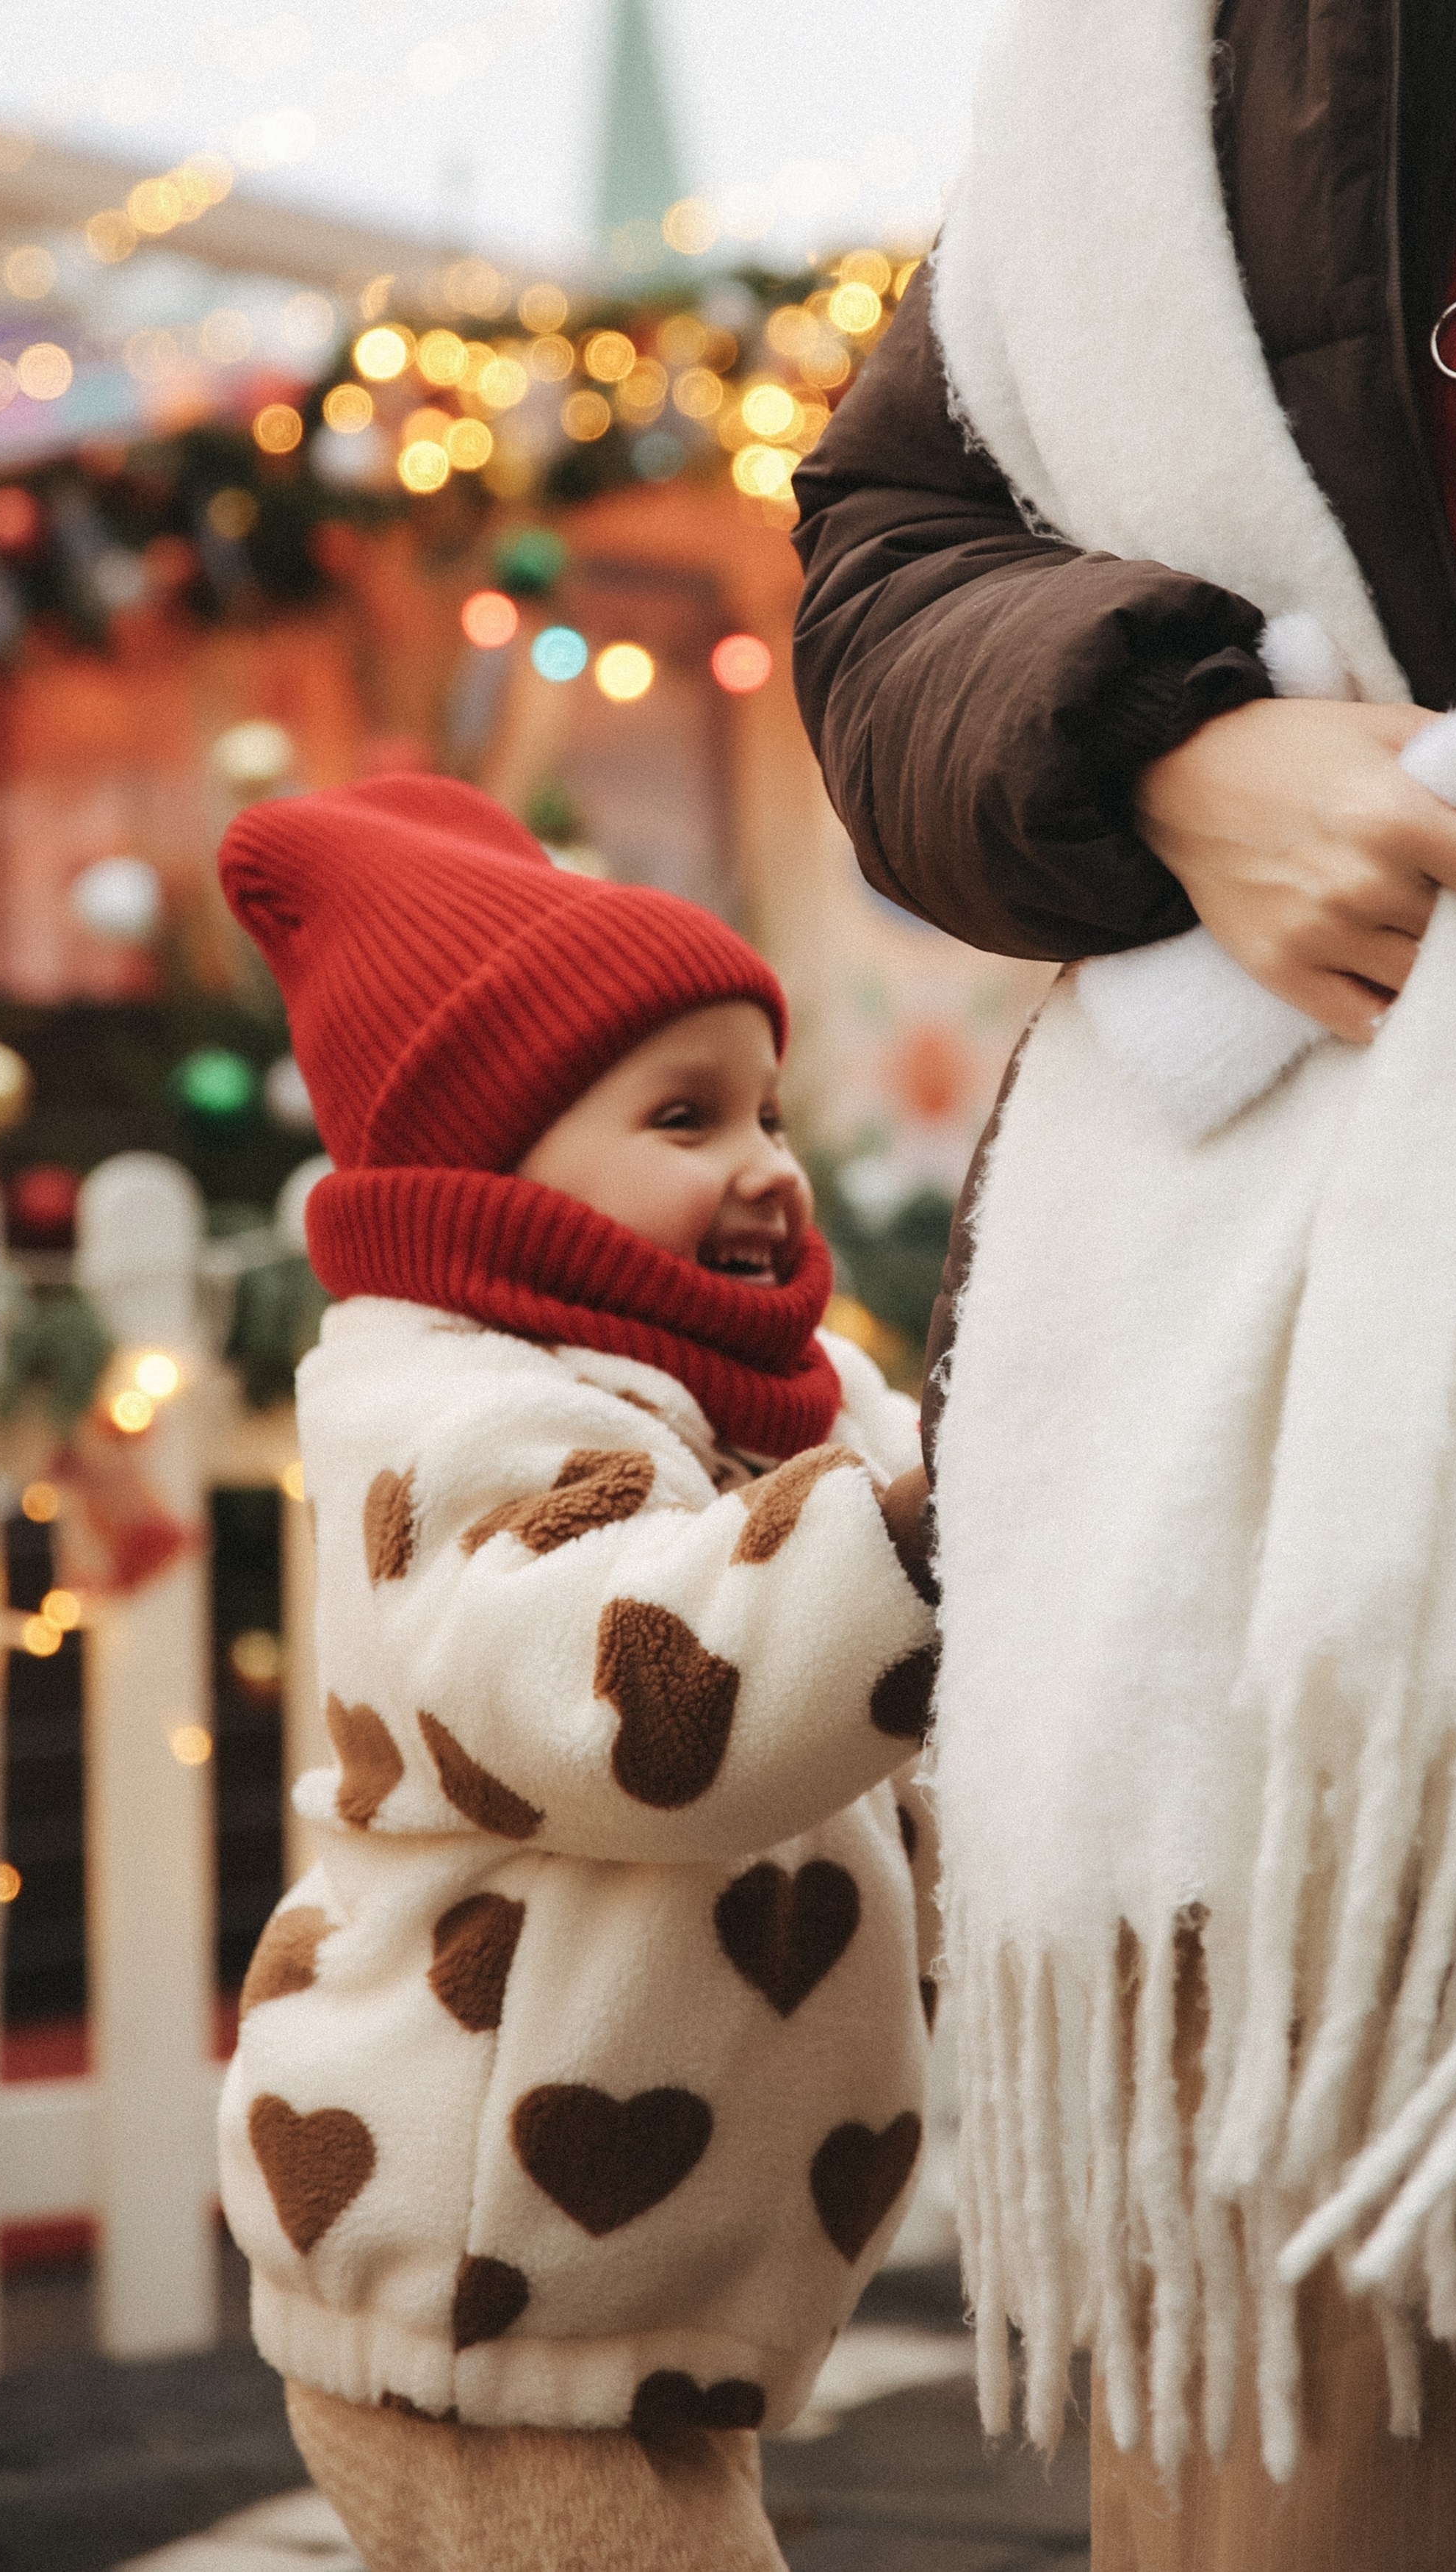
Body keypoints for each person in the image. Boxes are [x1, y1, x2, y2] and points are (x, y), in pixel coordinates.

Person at [790, 0, 1456, 2564]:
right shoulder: (1166, 35)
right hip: (1283, 1456)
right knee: (1346, 2471)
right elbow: (886, 547)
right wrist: (1166, 751)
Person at [214, 776, 940, 2572]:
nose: (767, 1163)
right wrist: (937, 1531)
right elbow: (652, 1707)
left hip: (646, 2289)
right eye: (683, 1114)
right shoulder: (462, 1425)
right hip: (477, 2279)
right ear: (484, 1173)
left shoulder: (787, 1408)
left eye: (765, 1107)